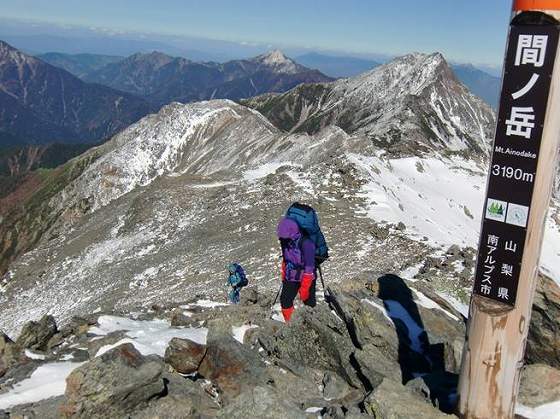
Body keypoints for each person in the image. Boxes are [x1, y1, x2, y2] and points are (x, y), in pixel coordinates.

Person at [276, 217, 316, 321]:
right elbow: (286, 260)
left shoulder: (307, 243)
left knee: (309, 303)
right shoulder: (285, 241)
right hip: (291, 276)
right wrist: (284, 277)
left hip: (306, 277)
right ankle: (291, 325)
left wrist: (304, 289)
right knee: (285, 301)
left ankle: (314, 325)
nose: (282, 240)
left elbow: (309, 269)